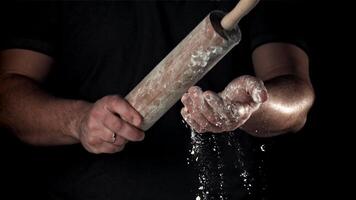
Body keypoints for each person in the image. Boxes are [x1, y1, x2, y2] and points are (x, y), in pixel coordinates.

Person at [0, 1, 314, 199]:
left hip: (220, 191)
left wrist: (246, 109)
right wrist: (78, 121)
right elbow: (8, 97)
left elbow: (297, 99)